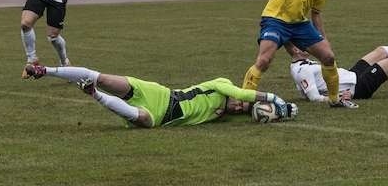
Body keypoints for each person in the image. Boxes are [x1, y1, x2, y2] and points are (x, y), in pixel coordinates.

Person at [21, 63, 298, 128]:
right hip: (161, 94)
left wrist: (279, 114)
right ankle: (45, 69)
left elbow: (249, 111)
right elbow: (241, 92)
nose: (239, 105)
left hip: (162, 116)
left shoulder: (223, 114)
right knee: (103, 77)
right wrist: (274, 99)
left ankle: (94, 95)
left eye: (241, 108)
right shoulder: (222, 85)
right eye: (240, 103)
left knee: (138, 117)